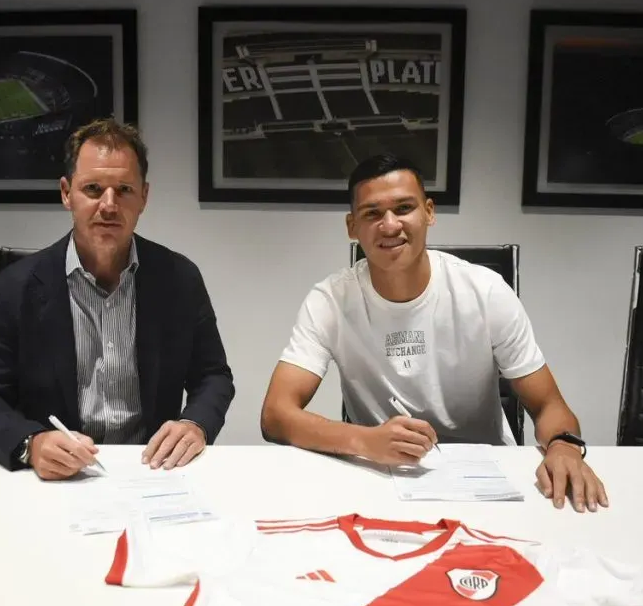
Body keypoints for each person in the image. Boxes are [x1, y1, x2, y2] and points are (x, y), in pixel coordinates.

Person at [260, 153, 609, 513]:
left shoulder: (486, 292)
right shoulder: (331, 300)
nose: (390, 225)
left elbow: (549, 404)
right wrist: (365, 441)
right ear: (352, 226)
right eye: (372, 213)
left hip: (487, 477)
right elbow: (275, 415)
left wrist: (564, 447)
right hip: (383, 478)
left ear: (429, 212)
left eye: (404, 208)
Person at [0, 118, 235, 480]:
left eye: (124, 189)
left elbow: (213, 376)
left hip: (151, 471)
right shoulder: (12, 288)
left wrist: (195, 423)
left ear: (144, 197)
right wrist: (30, 442)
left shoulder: (180, 279)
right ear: (66, 193)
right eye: (92, 188)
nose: (109, 205)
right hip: (58, 476)